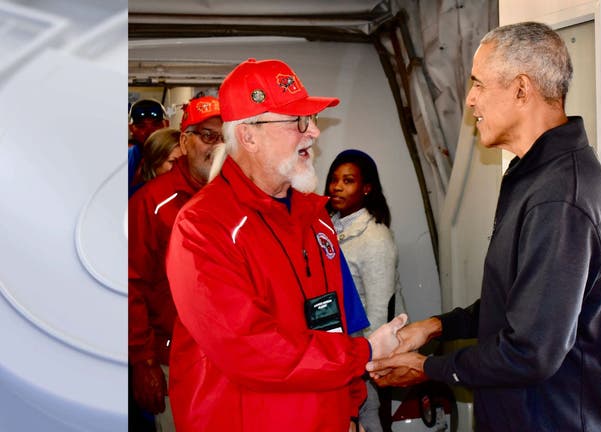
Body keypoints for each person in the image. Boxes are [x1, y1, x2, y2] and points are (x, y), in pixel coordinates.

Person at [366, 22, 601, 432]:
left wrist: (428, 369)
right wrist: (438, 327)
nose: (469, 99)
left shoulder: (560, 198)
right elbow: (517, 305)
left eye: (478, 84)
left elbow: (530, 351)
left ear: (522, 89)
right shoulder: (534, 176)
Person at [164, 58, 407, 432]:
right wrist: (367, 352)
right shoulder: (203, 226)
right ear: (248, 135)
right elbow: (251, 350)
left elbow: (331, 324)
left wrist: (351, 410)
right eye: (297, 122)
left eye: (312, 120)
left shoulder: (317, 219)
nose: (313, 133)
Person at [128, 95, 224, 432]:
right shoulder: (151, 202)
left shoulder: (236, 198)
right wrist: (144, 361)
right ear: (184, 141)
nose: (217, 145)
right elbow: (130, 284)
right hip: (175, 360)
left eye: (225, 137)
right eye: (208, 135)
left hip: (231, 359)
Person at [325, 149, 407, 432]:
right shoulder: (327, 226)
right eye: (334, 179)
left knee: (367, 420)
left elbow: (379, 312)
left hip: (362, 356)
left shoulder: (375, 237)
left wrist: (369, 363)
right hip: (335, 354)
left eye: (348, 181)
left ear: (367, 188)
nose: (336, 187)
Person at [129, 98, 170, 197]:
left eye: (156, 124)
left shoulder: (179, 157)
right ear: (131, 129)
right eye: (141, 126)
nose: (149, 131)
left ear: (167, 125)